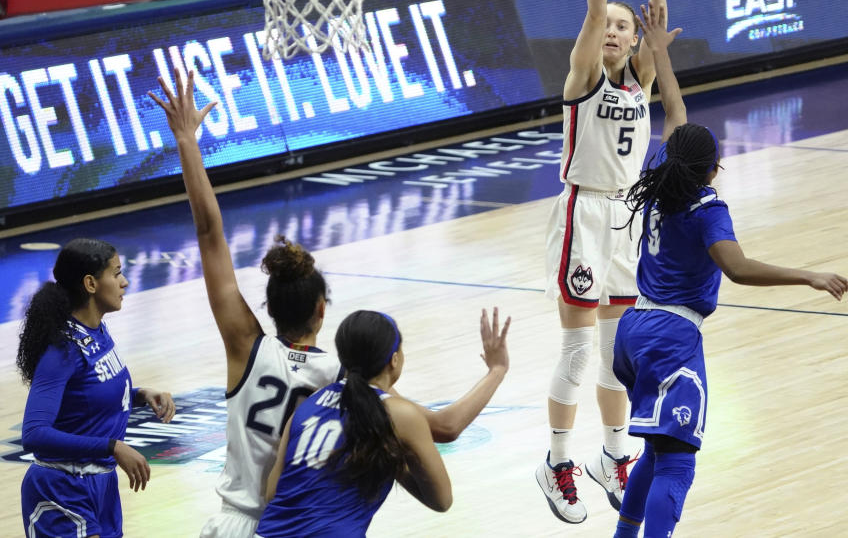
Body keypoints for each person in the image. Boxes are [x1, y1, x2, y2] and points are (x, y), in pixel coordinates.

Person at [149, 69, 511, 538]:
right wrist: (496, 370)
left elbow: (209, 234)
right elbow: (442, 428)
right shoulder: (348, 379)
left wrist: (186, 141)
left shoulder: (247, 349)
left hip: (234, 523)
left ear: (271, 304)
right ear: (323, 310)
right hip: (301, 522)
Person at [611, 3, 848, 538]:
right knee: (678, 462)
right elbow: (736, 269)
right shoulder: (705, 205)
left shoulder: (659, 174)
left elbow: (674, 109)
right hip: (672, 335)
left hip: (633, 328)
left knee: (658, 448)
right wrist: (806, 275)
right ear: (711, 168)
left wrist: (660, 53)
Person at [536, 0, 681, 525]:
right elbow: (594, 14)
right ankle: (557, 461)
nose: (618, 32)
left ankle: (613, 455)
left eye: (626, 27)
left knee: (616, 350)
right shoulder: (582, 78)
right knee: (576, 347)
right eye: (612, 28)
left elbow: (659, 27)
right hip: (582, 214)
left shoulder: (638, 82)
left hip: (625, 216)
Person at [17, 238, 176, 538]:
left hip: (100, 484)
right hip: (61, 489)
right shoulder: (61, 351)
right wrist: (112, 446)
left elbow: (89, 392)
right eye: (116, 273)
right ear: (91, 283)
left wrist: (140, 395)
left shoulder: (98, 330)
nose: (124, 282)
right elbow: (34, 434)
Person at [255, 309, 457, 536]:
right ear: (395, 359)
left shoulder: (309, 404)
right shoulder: (400, 414)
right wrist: (497, 370)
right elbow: (442, 500)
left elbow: (273, 491)